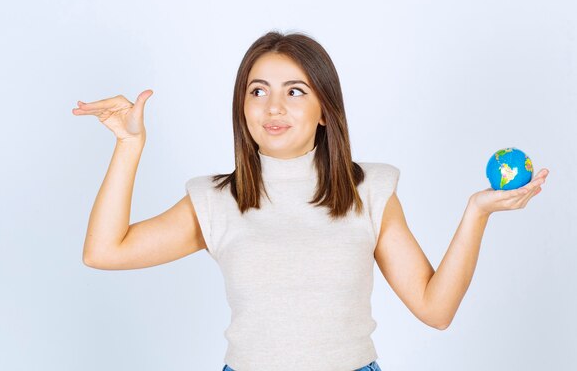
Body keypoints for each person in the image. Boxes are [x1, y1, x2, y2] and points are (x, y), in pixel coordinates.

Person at [72, 31, 549, 371]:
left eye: (295, 91)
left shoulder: (369, 189)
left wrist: (477, 212)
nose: (273, 107)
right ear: (243, 107)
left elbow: (435, 309)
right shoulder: (218, 200)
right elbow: (103, 251)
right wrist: (128, 146)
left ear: (325, 110)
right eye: (257, 91)